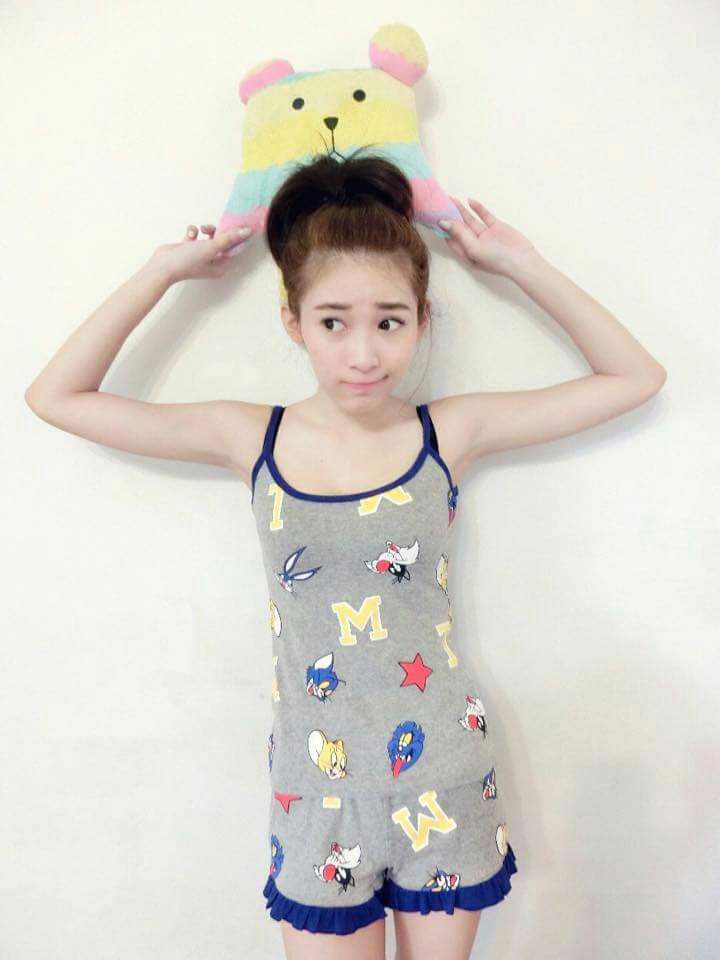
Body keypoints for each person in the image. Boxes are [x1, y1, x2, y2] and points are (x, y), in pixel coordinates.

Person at [25, 147, 667, 960]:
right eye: (334, 322)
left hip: (443, 772)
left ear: (422, 320)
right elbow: (55, 396)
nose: (364, 353)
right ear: (292, 321)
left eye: (389, 321)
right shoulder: (250, 437)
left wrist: (521, 264)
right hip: (316, 789)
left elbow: (635, 376)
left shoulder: (449, 432)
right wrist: (162, 273)